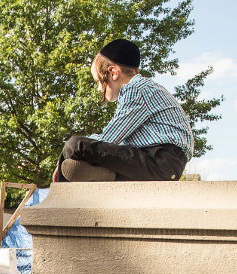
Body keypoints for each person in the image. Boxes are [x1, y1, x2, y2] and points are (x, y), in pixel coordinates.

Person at [53, 38, 194, 182]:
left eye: (98, 82)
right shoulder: (149, 88)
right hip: (157, 164)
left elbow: (109, 138)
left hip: (158, 161)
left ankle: (59, 199)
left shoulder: (136, 88)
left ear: (113, 72)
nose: (99, 89)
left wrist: (66, 155)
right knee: (74, 164)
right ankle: (108, 176)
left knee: (75, 144)